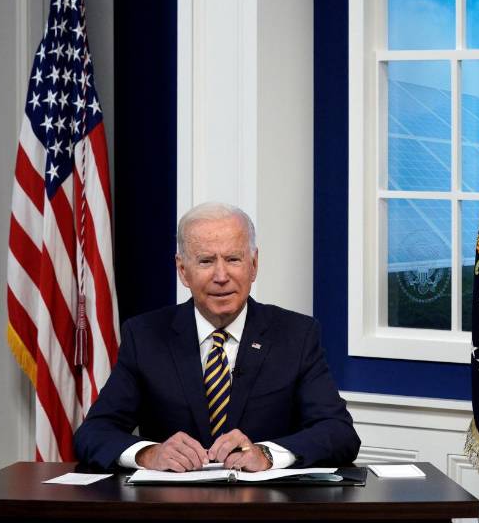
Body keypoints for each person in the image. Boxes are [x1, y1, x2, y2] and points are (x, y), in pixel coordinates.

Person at [74, 202, 360, 472]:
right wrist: (149, 454)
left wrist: (267, 454)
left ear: (254, 264)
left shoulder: (296, 335)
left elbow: (339, 433)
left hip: (267, 509)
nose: (221, 276)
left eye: (233, 259)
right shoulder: (145, 336)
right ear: (183, 270)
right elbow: (94, 433)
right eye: (206, 261)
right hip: (173, 511)